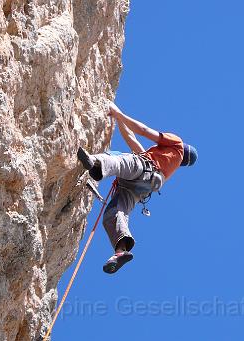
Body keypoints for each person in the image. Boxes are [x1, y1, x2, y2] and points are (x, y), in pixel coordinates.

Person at [77, 102, 198, 274]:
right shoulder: (165, 164)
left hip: (144, 170)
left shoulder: (177, 144)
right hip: (143, 186)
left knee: (119, 159)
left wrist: (120, 115)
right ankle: (120, 251)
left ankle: (96, 163)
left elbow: (144, 131)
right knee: (115, 214)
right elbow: (131, 138)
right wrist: (118, 116)